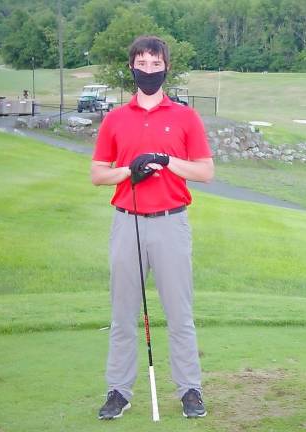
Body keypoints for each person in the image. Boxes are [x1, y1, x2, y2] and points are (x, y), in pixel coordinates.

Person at [91, 35, 214, 420]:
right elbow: (97, 175)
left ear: (166, 68)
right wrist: (132, 171)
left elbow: (206, 171)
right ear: (132, 68)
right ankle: (118, 391)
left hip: (171, 223)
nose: (148, 71)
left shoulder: (185, 117)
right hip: (127, 223)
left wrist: (165, 160)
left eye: (155, 64)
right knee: (123, 313)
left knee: (180, 313)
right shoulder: (115, 118)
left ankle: (190, 390)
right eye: (141, 64)